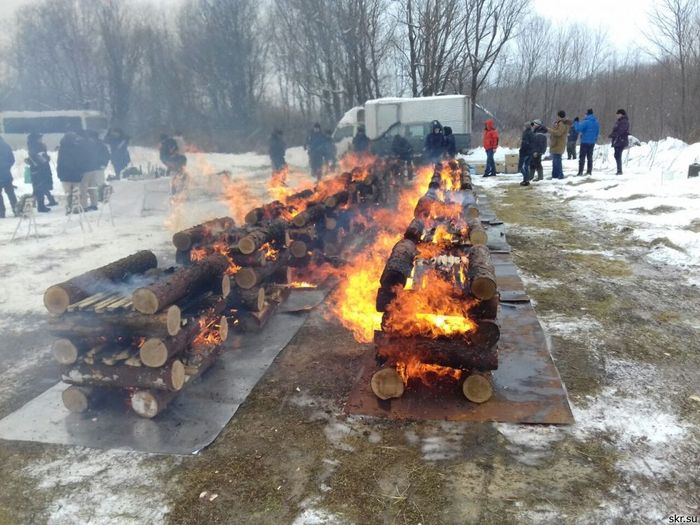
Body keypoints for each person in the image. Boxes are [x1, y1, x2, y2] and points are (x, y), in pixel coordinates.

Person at [57, 132, 89, 212]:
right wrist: (81, 171)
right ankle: (77, 207)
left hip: (65, 175)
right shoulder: (77, 147)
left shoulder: (62, 148)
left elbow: (60, 162)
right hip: (76, 174)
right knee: (77, 193)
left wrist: (59, 173)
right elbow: (80, 161)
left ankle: (69, 207)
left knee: (68, 193)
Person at [26, 133, 57, 213]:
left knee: (38, 187)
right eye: (40, 138)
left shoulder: (31, 146)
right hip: (41, 170)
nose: (41, 139)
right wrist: (46, 158)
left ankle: (35, 203)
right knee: (40, 187)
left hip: (35, 170)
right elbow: (41, 159)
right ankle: (41, 206)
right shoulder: (37, 147)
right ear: (36, 139)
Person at [81, 130, 110, 210]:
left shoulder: (100, 145)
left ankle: (103, 197)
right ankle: (99, 199)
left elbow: (106, 155)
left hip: (98, 167)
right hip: (94, 167)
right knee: (95, 185)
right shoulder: (94, 145)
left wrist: (103, 164)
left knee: (99, 183)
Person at [574, 108, 600, 176]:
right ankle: (589, 171)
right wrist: (595, 139)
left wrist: (576, 122)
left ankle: (580, 172)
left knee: (582, 157)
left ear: (587, 114)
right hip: (592, 142)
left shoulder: (586, 122)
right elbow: (597, 132)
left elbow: (578, 129)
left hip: (585, 141)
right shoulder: (596, 122)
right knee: (590, 157)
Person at [547, 111, 572, 180]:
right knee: (555, 161)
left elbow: (558, 133)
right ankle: (555, 175)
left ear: (559, 116)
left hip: (558, 144)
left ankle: (560, 175)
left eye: (557, 116)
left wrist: (549, 130)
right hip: (558, 144)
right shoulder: (561, 123)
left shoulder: (561, 123)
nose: (556, 117)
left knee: (557, 160)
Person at [0, 135, 17, 218]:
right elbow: (12, 159)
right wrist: (7, 167)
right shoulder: (6, 145)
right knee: (10, 193)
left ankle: (1, 213)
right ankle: (16, 209)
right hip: (6, 173)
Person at [609, 109, 630, 175]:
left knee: (618, 155)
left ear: (621, 114)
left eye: (618, 114)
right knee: (616, 155)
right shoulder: (619, 121)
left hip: (621, 140)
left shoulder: (624, 121)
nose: (617, 116)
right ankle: (619, 169)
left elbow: (621, 131)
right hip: (618, 140)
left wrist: (614, 134)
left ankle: (619, 170)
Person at [518, 122, 535, 187]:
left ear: (526, 127)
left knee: (520, 167)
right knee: (526, 166)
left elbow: (525, 143)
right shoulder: (532, 133)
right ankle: (526, 180)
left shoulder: (525, 133)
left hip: (524, 152)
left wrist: (521, 150)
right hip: (530, 152)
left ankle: (526, 180)